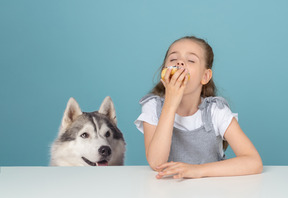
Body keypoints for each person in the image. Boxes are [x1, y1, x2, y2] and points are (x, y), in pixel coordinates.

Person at [134, 36, 263, 179]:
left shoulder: (215, 111)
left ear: (205, 76)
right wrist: (170, 103)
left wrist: (197, 170)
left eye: (190, 60)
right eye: (173, 59)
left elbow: (254, 162)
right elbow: (156, 162)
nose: (179, 62)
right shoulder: (152, 106)